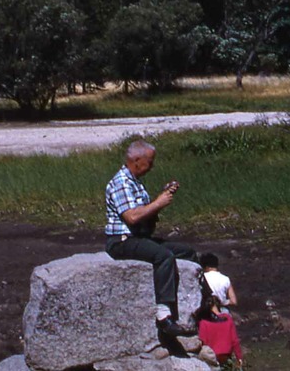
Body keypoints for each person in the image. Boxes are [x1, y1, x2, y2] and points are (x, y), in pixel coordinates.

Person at [104, 138, 201, 341]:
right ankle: (164, 315)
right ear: (137, 160)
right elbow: (132, 216)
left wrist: (162, 196)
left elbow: (144, 212)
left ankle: (200, 302)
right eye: (150, 162)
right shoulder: (121, 183)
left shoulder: (135, 182)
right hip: (122, 240)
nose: (152, 166)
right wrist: (159, 202)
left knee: (187, 252)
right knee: (163, 256)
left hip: (139, 237)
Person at [195, 253, 243, 369]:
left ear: (205, 266)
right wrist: (221, 302)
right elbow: (233, 301)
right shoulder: (225, 279)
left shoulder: (202, 277)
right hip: (223, 312)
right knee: (228, 341)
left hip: (206, 313)